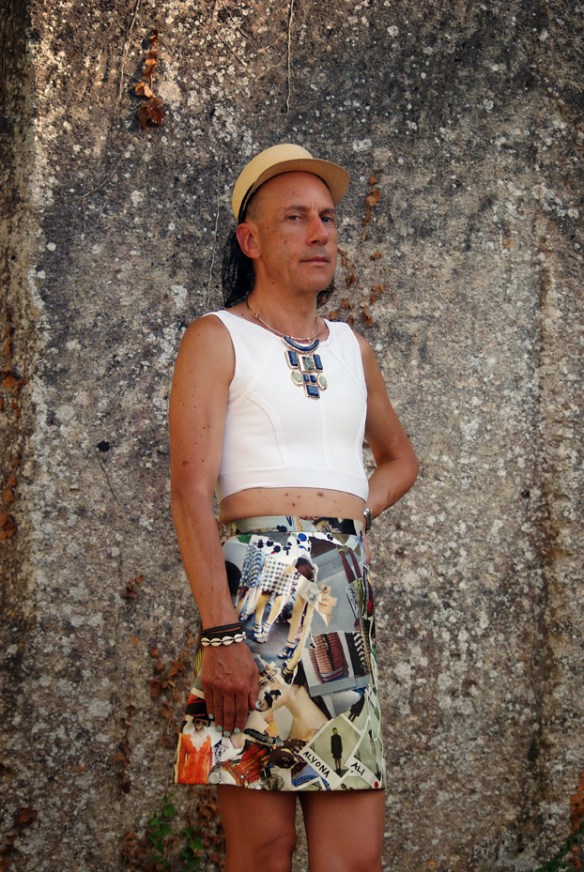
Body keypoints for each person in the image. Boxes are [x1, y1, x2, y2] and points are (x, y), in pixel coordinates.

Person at [169, 143, 419, 872]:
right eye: (296, 219)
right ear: (250, 241)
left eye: (328, 218)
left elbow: (400, 460)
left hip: (342, 601)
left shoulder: (351, 348)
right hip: (253, 603)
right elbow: (190, 491)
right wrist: (220, 634)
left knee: (355, 860)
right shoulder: (217, 337)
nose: (320, 234)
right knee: (263, 852)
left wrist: (347, 519)